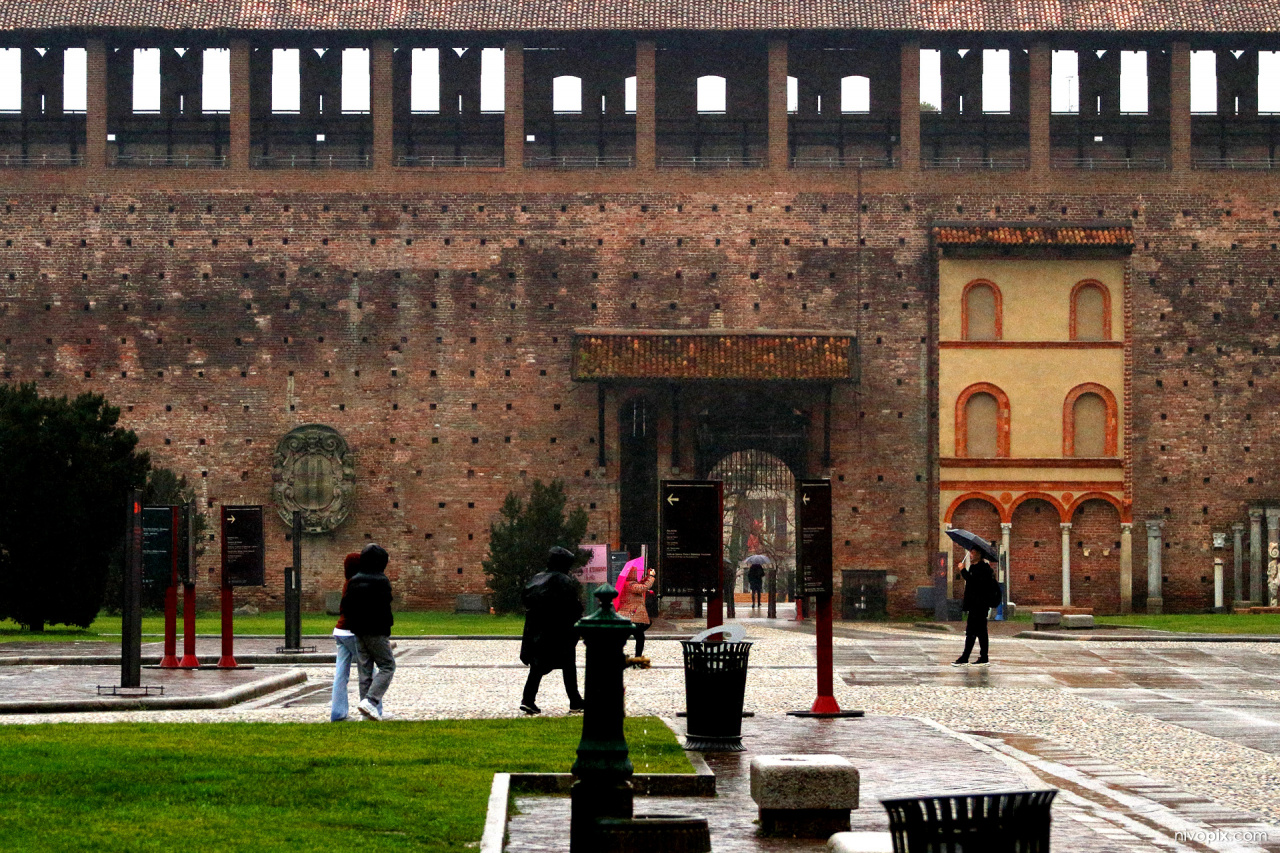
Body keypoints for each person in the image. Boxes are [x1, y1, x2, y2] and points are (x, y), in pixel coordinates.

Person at [519, 546, 585, 715]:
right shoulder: (564, 580)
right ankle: (575, 701)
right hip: (559, 632)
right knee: (568, 665)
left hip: (538, 631)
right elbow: (574, 607)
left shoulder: (536, 579)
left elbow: (526, 600)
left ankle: (528, 699)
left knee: (537, 666)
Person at [343, 542, 396, 720]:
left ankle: (365, 712)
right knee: (387, 666)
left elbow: (347, 606)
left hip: (358, 630)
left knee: (364, 671)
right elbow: (385, 607)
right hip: (376, 630)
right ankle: (370, 701)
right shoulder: (382, 582)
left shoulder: (354, 581)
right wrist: (387, 627)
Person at [330, 552, 362, 722]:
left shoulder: (347, 583)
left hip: (340, 630)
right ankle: (374, 709)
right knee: (369, 670)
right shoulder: (358, 584)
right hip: (352, 631)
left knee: (341, 674)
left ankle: (338, 713)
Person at [953, 547, 997, 667]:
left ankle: (967, 657)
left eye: (973, 553)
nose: (971, 555)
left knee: (973, 631)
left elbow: (975, 583)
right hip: (975, 604)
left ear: (979, 554)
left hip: (980, 605)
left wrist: (963, 570)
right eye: (970, 552)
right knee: (978, 631)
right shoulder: (974, 568)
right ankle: (981, 657)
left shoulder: (983, 569)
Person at [615, 558, 655, 659]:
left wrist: (644, 579)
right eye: (635, 573)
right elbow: (643, 588)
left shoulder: (628, 584)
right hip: (632, 616)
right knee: (639, 636)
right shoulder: (631, 585)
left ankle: (620, 656)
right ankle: (636, 657)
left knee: (627, 637)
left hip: (627, 616)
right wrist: (651, 577)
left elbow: (640, 585)